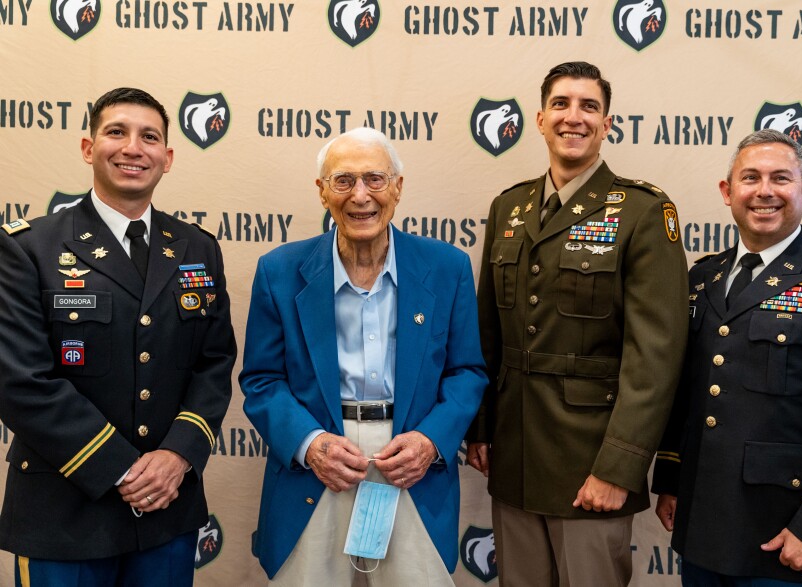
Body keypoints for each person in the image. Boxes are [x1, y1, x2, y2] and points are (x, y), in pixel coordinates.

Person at [0, 87, 237, 586]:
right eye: (116, 132)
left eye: (149, 137)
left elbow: (214, 364)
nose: (134, 148)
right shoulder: (28, 248)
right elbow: (19, 380)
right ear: (89, 148)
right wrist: (122, 469)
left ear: (167, 158)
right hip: (64, 515)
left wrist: (177, 456)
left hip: (167, 511)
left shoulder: (197, 248)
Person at [466, 61, 689, 586]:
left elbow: (655, 359)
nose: (575, 117)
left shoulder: (642, 212)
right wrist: (480, 428)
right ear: (539, 119)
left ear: (607, 123)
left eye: (590, 106)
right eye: (562, 104)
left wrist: (620, 466)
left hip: (592, 463)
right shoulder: (509, 208)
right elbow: (487, 332)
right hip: (514, 456)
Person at [239, 127, 487, 585]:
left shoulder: (447, 267)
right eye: (343, 181)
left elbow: (467, 372)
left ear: (397, 187)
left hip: (410, 465)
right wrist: (311, 445)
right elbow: (261, 380)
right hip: (318, 466)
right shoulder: (278, 271)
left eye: (375, 179)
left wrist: (430, 441)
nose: (360, 196)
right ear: (321, 192)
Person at [652, 129, 802, 586]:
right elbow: (692, 393)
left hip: (785, 534)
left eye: (781, 178)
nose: (764, 191)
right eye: (750, 177)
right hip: (703, 525)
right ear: (727, 191)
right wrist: (673, 479)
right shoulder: (704, 278)